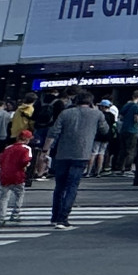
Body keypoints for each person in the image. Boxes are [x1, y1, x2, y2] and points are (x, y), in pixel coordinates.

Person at [44, 90, 104, 229]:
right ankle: (63, 218)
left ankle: (55, 216)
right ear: (91, 102)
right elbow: (104, 130)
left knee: (60, 186)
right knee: (72, 186)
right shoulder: (97, 114)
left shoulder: (65, 113)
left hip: (63, 153)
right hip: (82, 153)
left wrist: (45, 150)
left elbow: (54, 132)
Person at [0, 128, 34, 226]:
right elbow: (25, 160)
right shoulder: (26, 148)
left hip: (5, 175)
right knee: (19, 194)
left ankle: (0, 218)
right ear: (27, 139)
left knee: (4, 197)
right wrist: (27, 165)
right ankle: (15, 214)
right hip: (18, 175)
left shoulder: (8, 148)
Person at [115, 92, 138, 174]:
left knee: (122, 150)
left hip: (124, 129)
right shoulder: (136, 107)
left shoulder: (126, 105)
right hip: (132, 130)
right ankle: (127, 168)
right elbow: (136, 119)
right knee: (131, 150)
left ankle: (119, 167)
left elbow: (121, 117)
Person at [89, 96, 117, 176]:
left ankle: (88, 171)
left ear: (102, 107)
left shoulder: (98, 114)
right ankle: (98, 171)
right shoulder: (112, 115)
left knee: (93, 153)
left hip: (97, 135)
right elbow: (113, 125)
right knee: (102, 153)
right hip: (107, 136)